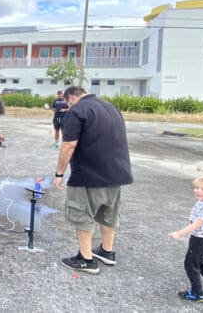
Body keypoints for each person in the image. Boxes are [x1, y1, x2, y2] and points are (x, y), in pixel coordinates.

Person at [54, 86, 134, 274]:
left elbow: (68, 145)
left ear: (71, 97)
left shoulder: (77, 110)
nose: (68, 105)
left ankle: (86, 259)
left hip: (88, 174)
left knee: (83, 215)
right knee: (108, 214)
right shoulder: (110, 107)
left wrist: (59, 173)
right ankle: (107, 251)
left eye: (67, 102)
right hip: (116, 172)